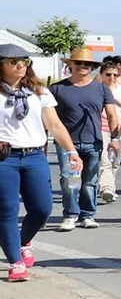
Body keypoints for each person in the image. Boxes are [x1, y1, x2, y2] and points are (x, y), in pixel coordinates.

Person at [1, 45, 82, 282]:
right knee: (6, 210)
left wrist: (72, 151)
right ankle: (15, 262)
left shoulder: (39, 91)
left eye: (23, 60)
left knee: (42, 208)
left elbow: (55, 125)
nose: (19, 65)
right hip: (4, 158)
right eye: (12, 61)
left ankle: (23, 240)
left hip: (35, 155)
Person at [48, 47, 121, 231]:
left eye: (87, 64)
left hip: (93, 141)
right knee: (69, 178)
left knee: (90, 180)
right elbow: (48, 117)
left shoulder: (102, 89)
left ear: (92, 67)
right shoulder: (57, 88)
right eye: (79, 63)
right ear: (70, 64)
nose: (83, 66)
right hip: (67, 143)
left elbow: (112, 114)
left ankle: (87, 215)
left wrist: (115, 138)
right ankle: (71, 214)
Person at [97, 61, 121, 203]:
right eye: (108, 74)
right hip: (101, 128)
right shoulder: (96, 89)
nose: (112, 77)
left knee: (115, 161)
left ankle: (110, 186)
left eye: (115, 75)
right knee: (104, 160)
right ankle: (106, 188)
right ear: (101, 75)